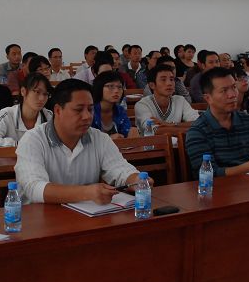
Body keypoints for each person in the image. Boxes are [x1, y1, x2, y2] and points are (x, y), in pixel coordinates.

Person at [14, 79, 151, 205]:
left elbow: (119, 169)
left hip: (86, 216)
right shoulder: (33, 140)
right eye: (78, 110)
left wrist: (136, 179)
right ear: (58, 110)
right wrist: (87, 193)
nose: (87, 116)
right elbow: (34, 188)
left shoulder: (99, 138)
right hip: (39, 217)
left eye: (90, 109)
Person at [185, 67, 249, 180]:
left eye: (234, 87)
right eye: (224, 91)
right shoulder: (198, 131)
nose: (232, 94)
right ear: (208, 98)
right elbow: (207, 174)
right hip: (219, 189)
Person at [0, 73, 52, 147]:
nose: (42, 98)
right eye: (37, 92)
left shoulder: (49, 116)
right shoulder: (6, 114)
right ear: (23, 91)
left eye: (45, 94)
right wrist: (20, 144)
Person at [135, 64, 199, 132]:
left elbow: (198, 122)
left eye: (171, 79)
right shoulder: (142, 105)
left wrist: (172, 125)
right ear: (152, 85)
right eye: (163, 80)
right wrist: (184, 127)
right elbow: (151, 130)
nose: (169, 83)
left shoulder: (180, 100)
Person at [91, 71, 135, 138]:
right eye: (111, 86)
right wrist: (109, 139)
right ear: (99, 88)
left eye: (119, 87)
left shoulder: (120, 110)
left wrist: (131, 133)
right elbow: (87, 139)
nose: (116, 91)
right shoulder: (90, 111)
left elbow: (126, 132)